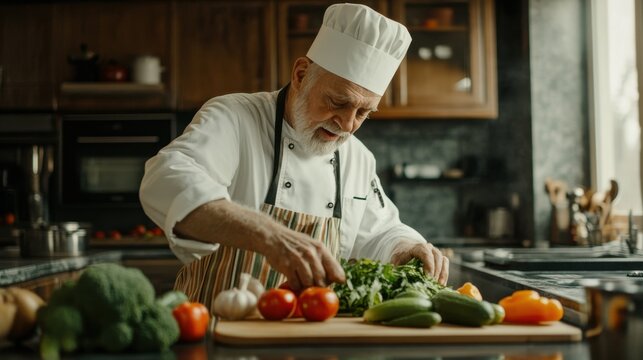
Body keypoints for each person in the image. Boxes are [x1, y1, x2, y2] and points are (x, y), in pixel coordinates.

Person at [140, 3, 449, 307]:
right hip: (219, 333)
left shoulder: (358, 157)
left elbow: (379, 231)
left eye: (363, 112)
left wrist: (405, 247)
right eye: (338, 101)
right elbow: (168, 177)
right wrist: (269, 235)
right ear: (301, 74)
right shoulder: (234, 117)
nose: (347, 125)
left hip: (310, 333)